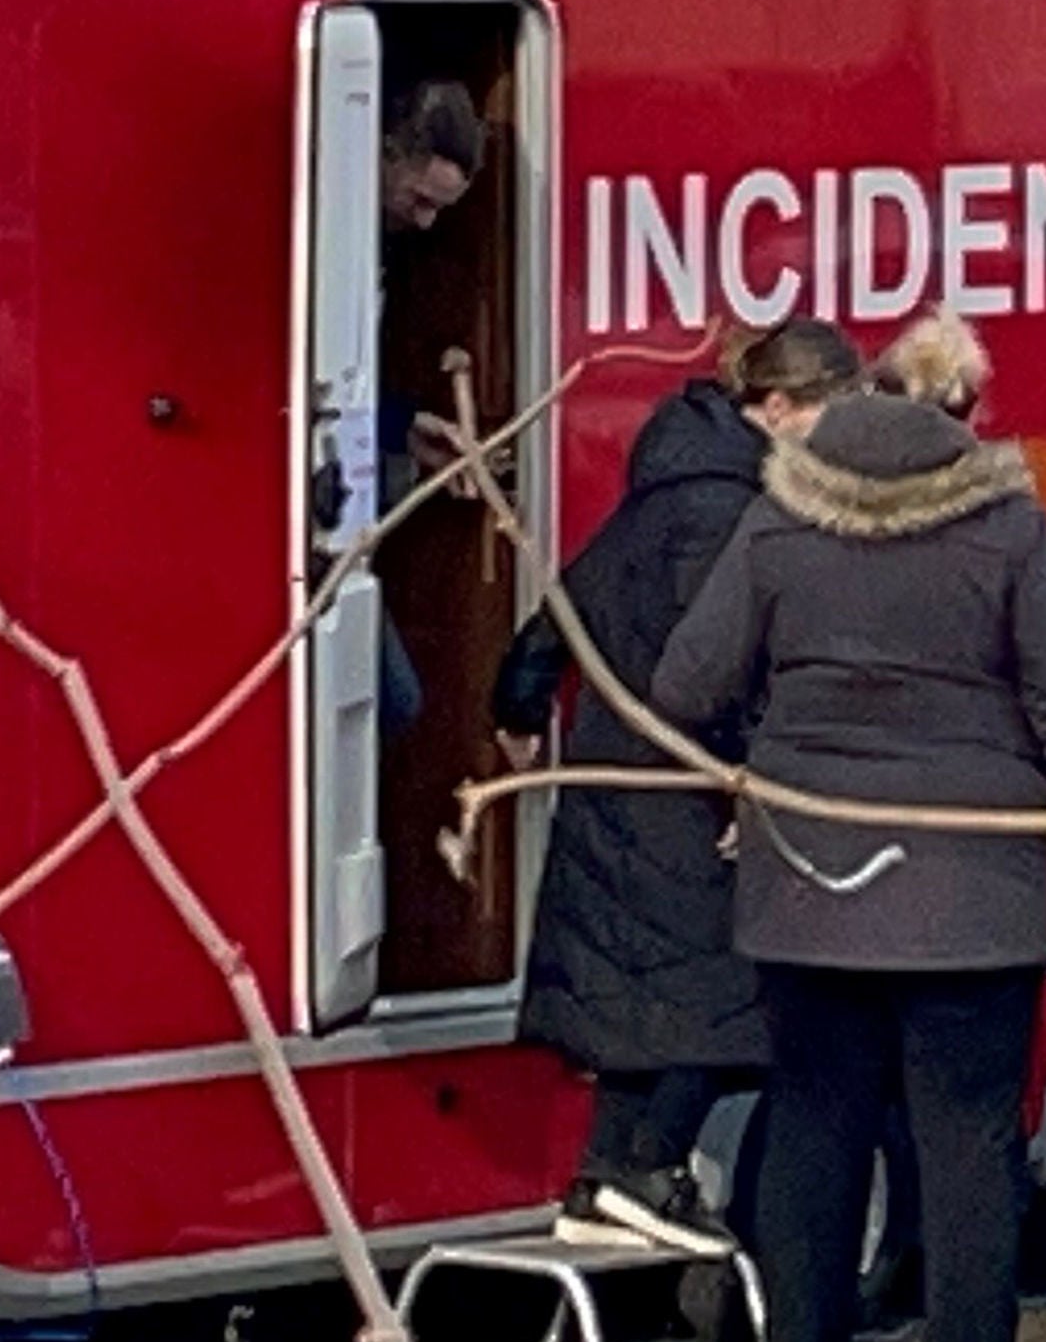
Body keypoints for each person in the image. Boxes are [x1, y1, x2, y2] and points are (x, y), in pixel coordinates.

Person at [653, 381, 1046, 1342]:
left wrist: (766, 755)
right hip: (971, 887)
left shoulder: (779, 519)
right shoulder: (1004, 522)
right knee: (969, 1141)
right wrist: (1032, 769)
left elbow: (687, 680)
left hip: (806, 870)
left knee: (815, 1128)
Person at [491, 319, 863, 1258]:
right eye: (832, 415)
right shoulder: (727, 510)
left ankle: (607, 1177)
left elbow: (565, 605)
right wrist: (747, 777)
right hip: (680, 791)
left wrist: (518, 705)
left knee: (648, 1000)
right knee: (732, 995)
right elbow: (718, 664)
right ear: (776, 409)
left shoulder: (673, 487)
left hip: (623, 782)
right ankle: (646, 1164)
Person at [365, 78, 490, 735]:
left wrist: (398, 427)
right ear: (383, 152)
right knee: (397, 701)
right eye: (419, 200)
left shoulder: (378, 245)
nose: (425, 223)